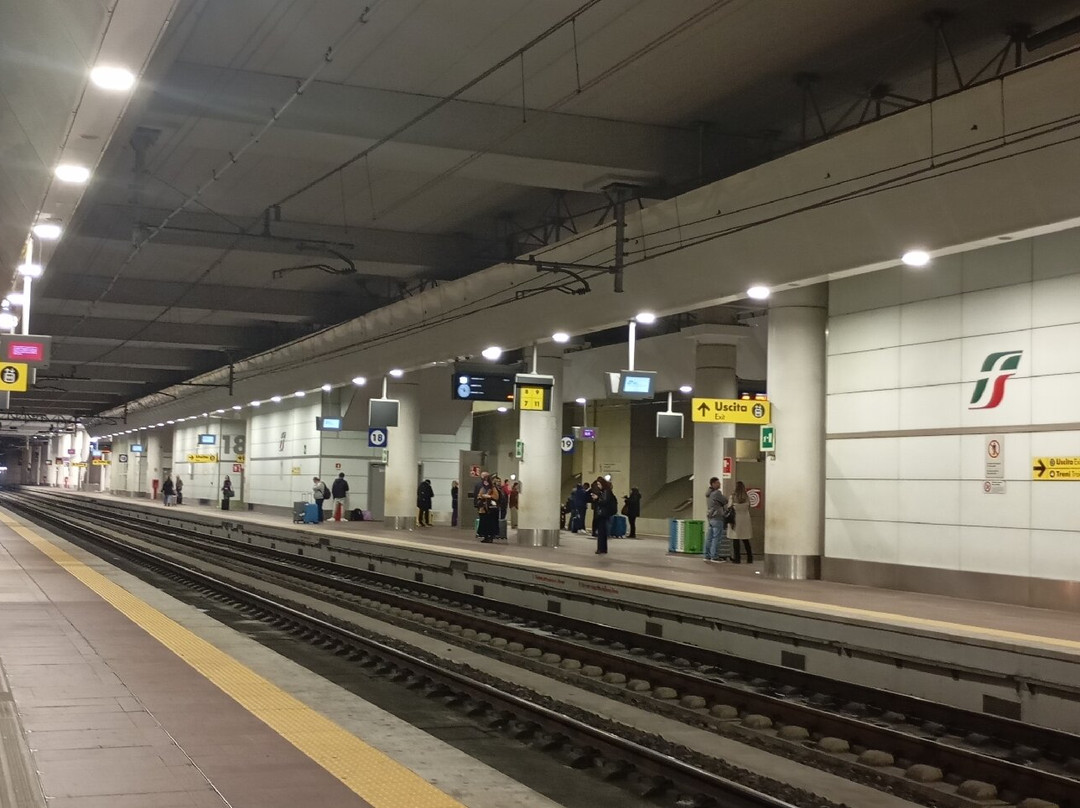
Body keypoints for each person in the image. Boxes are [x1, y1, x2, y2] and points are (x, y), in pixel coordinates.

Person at [704, 476, 730, 563]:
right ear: (713, 484)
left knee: (709, 538)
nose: (720, 484)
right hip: (717, 517)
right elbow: (725, 500)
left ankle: (707, 555)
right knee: (716, 538)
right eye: (718, 483)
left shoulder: (708, 494)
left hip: (710, 517)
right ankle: (714, 556)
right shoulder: (717, 493)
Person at [591, 478, 617, 554]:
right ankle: (603, 549)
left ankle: (600, 548)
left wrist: (597, 498)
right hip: (605, 513)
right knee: (603, 532)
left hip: (603, 514)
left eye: (599, 484)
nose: (598, 486)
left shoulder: (605, 491)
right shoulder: (606, 491)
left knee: (601, 532)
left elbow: (604, 502)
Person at [731, 480, 754, 564]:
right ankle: (750, 558)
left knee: (736, 540)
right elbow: (749, 506)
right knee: (745, 539)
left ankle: (737, 558)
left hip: (736, 519)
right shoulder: (747, 497)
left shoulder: (733, 497)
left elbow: (729, 507)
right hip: (745, 519)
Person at [475, 475, 500, 542]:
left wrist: (488, 496)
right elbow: (479, 495)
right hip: (483, 509)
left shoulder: (493, 488)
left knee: (490, 523)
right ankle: (485, 537)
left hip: (490, 509)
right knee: (484, 523)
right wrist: (481, 496)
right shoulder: (483, 488)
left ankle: (490, 537)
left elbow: (496, 497)